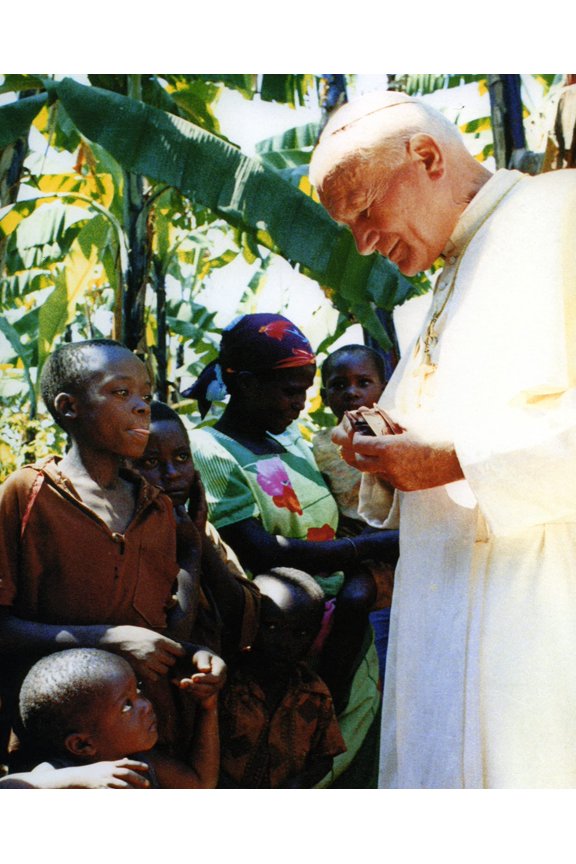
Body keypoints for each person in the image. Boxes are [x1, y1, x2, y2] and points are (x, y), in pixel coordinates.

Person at [309, 89, 576, 788]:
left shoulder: (562, 213)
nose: (362, 243)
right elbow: (424, 450)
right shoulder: (441, 283)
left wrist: (456, 458)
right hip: (437, 627)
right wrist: (381, 446)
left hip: (538, 623)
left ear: (426, 156)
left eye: (365, 211)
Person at [186, 312, 398, 787]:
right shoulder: (209, 449)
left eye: (305, 389)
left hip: (347, 623)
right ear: (241, 383)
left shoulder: (293, 443)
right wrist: (375, 547)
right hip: (284, 638)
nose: (301, 404)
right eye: (288, 391)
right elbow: (259, 550)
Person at [0, 338, 225, 764]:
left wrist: (199, 659)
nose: (142, 408)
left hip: (143, 735)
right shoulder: (29, 495)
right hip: (60, 746)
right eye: (122, 393)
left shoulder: (155, 507)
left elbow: (165, 631)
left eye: (145, 395)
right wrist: (106, 641)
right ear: (69, 407)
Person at [132, 399, 261, 657]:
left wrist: (199, 537)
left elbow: (242, 619)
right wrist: (191, 550)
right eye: (150, 462)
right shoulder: (128, 537)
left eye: (182, 457)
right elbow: (173, 641)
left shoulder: (198, 526)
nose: (172, 473)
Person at [2, 648, 219, 788]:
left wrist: (207, 709)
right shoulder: (57, 774)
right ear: (82, 744)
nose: (146, 705)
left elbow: (199, 784)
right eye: (127, 704)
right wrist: (75, 780)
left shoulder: (141, 763)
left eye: (139, 691)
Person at [313, 344, 396, 682]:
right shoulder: (320, 447)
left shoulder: (398, 437)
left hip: (399, 550)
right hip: (357, 556)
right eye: (339, 384)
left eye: (364, 382)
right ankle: (339, 686)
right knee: (369, 635)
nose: (352, 392)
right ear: (323, 395)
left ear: (384, 388)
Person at [218, 567, 346, 788]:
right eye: (272, 627)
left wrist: (299, 784)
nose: (284, 643)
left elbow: (325, 755)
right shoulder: (226, 684)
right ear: (251, 622)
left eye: (301, 633)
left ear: (316, 634)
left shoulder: (315, 693)